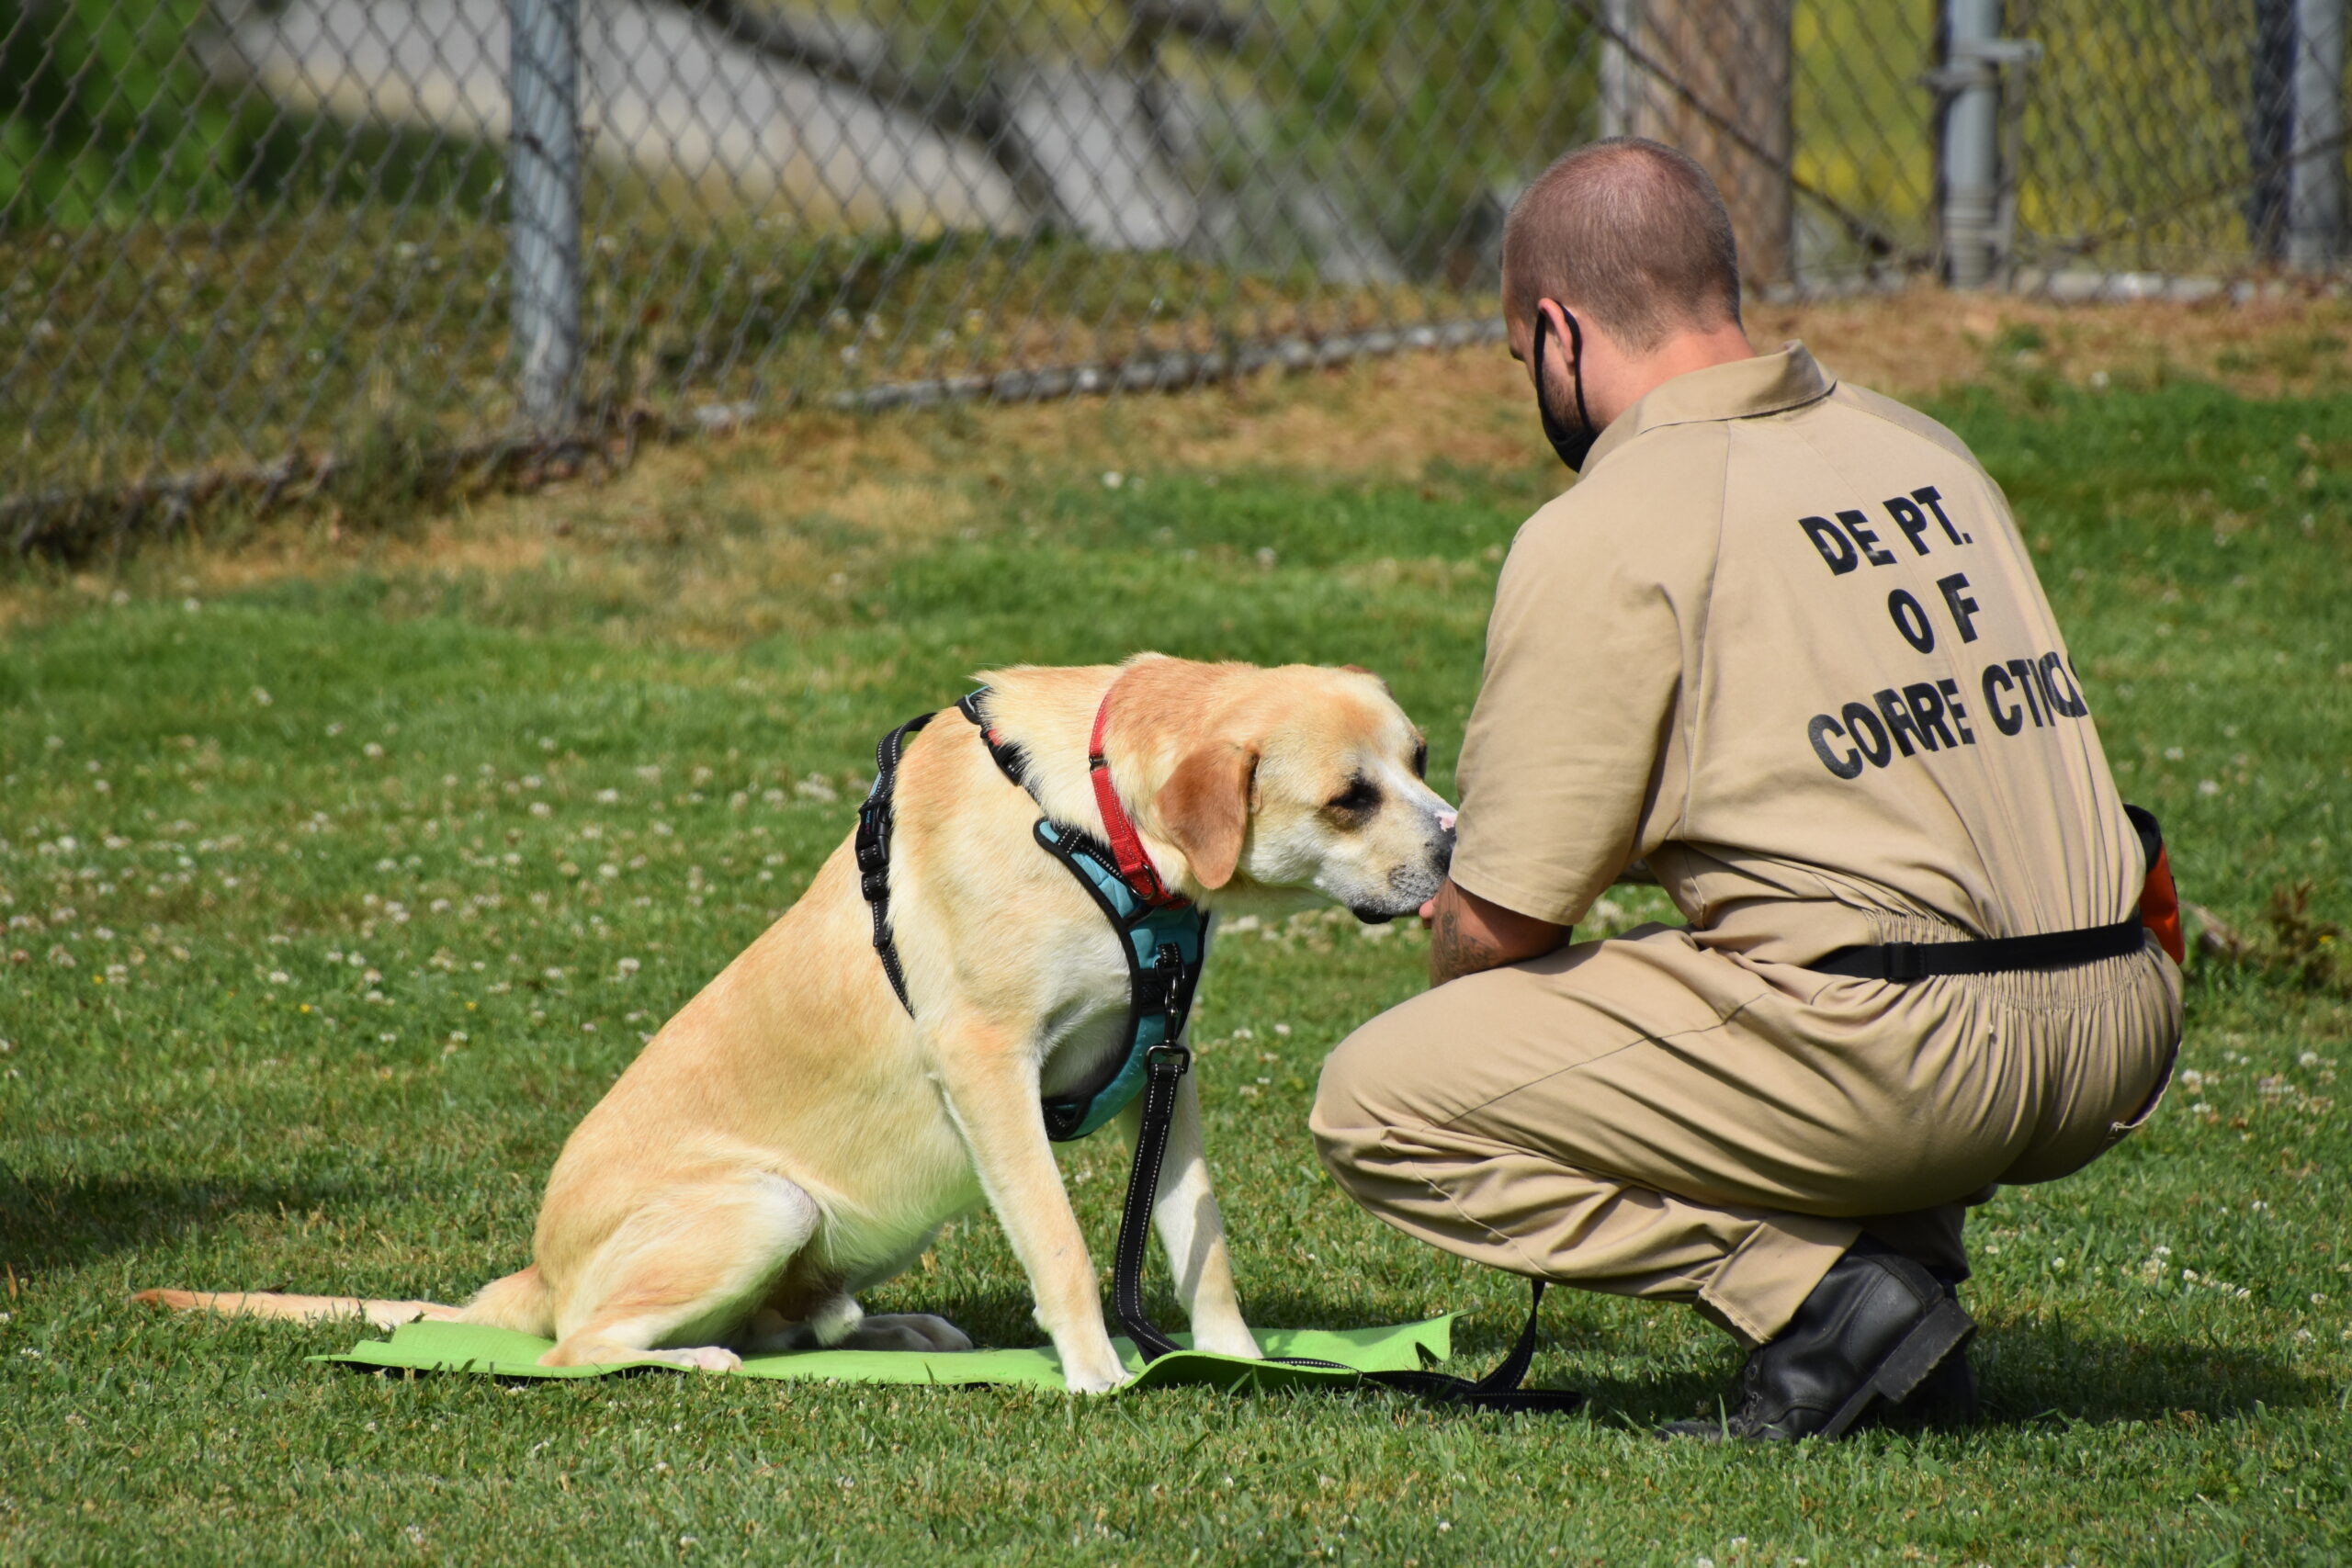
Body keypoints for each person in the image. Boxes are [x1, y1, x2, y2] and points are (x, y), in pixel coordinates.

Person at [1309, 138, 2182, 1442]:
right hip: (2124, 1019)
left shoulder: (1608, 523)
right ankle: (1904, 1289)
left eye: (1518, 359)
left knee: (1379, 1100)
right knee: (1830, 921)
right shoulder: (1925, 449)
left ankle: (1830, 1301)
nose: (1533, 388)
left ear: (1558, 331)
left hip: (1912, 1059)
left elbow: (1499, 928)